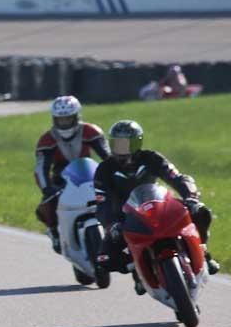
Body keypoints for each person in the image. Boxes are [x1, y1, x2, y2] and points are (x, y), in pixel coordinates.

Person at [94, 120, 220, 293]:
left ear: (136, 142)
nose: (120, 148)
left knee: (201, 212)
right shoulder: (104, 168)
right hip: (125, 216)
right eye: (116, 143)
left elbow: (176, 177)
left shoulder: (151, 158)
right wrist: (111, 224)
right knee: (104, 259)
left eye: (125, 143)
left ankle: (203, 251)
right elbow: (102, 202)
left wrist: (190, 197)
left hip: (158, 206)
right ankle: (137, 269)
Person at [34, 96, 111, 253]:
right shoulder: (47, 139)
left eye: (68, 119)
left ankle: (117, 225)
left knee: (114, 193)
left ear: (77, 117)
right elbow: (41, 167)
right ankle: (53, 231)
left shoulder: (91, 131)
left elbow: (107, 156)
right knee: (47, 202)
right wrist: (47, 188)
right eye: (61, 120)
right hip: (62, 177)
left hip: (89, 172)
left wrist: (113, 175)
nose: (65, 123)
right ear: (54, 119)